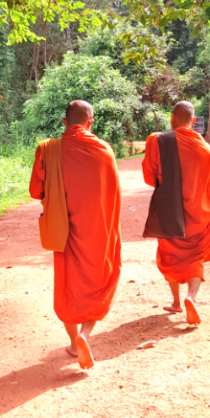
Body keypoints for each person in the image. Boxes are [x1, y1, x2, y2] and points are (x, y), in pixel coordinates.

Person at [29, 100, 122, 369]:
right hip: (97, 232)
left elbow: (36, 191)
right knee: (99, 282)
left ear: (64, 121)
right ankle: (85, 334)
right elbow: (113, 196)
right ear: (90, 122)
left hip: (64, 231)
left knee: (68, 287)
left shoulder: (48, 150)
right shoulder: (104, 149)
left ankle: (73, 342)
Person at [142, 100, 210, 325]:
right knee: (195, 256)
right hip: (198, 216)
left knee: (169, 255)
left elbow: (150, 178)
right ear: (194, 121)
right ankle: (191, 297)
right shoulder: (204, 149)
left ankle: (176, 302)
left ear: (172, 117)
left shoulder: (158, 141)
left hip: (170, 213)